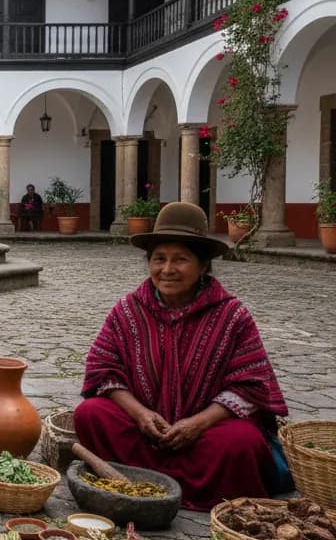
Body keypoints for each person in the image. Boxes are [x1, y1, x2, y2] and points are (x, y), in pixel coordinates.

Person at [73, 201, 290, 511]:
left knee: (244, 443)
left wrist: (196, 425)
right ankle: (150, 479)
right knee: (91, 414)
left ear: (203, 266)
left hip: (205, 435)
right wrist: (140, 414)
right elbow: (104, 370)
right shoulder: (128, 311)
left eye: (181, 260)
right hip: (146, 432)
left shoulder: (232, 315)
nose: (167, 269)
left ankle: (154, 483)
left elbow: (250, 386)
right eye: (159, 259)